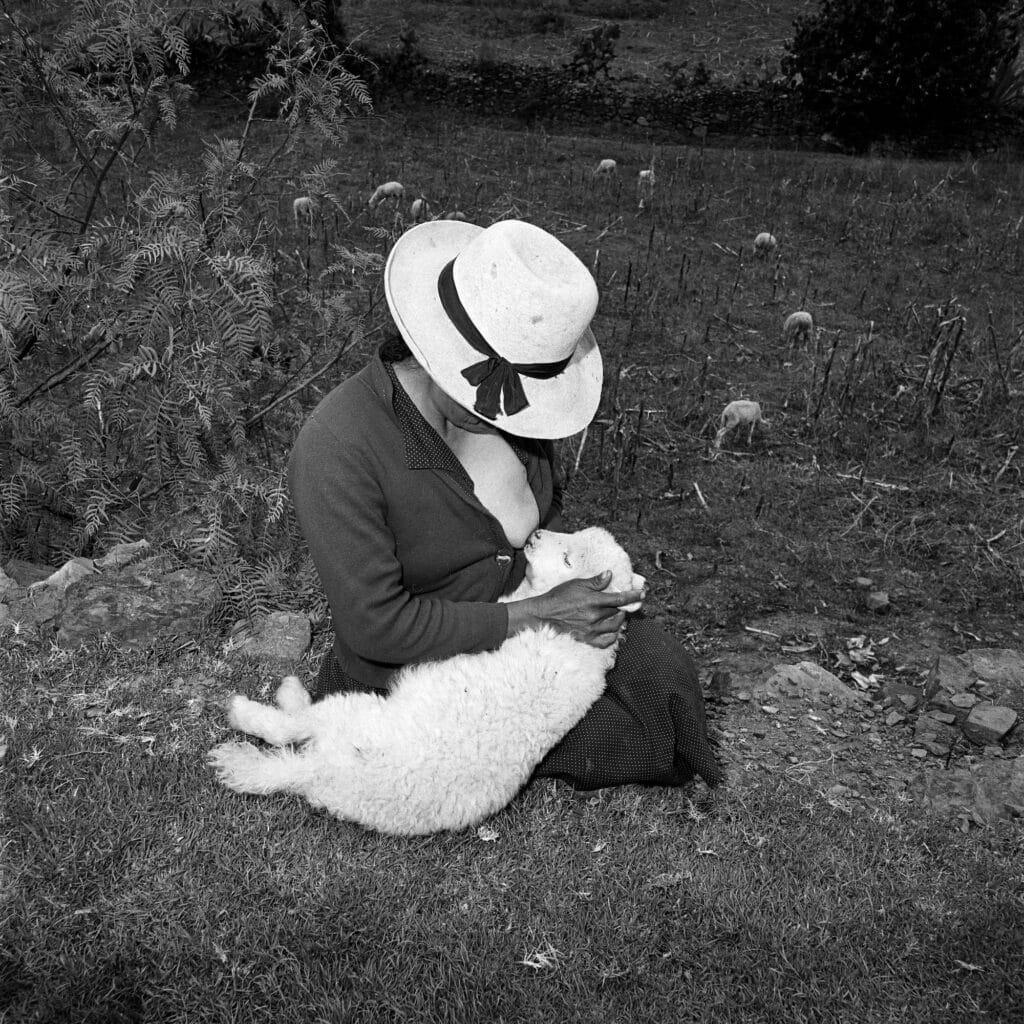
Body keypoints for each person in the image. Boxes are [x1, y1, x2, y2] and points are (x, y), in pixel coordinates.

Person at [288, 218, 722, 791]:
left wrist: (580, 585)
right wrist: (539, 614)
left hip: (523, 630)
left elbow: (542, 521)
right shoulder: (338, 446)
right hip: (417, 666)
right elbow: (377, 627)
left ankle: (503, 740)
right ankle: (429, 745)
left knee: (665, 689)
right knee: (629, 740)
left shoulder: (513, 413)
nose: (510, 418)